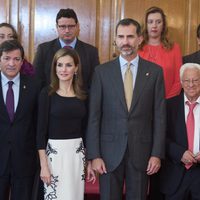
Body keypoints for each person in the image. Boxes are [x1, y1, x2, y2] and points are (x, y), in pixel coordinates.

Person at [86, 18, 166, 200]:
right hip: (107, 154)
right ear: (115, 39)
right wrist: (94, 155)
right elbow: (94, 116)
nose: (125, 42)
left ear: (139, 39)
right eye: (121, 37)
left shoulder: (154, 72)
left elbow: (160, 117)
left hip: (142, 153)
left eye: (130, 36)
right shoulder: (101, 72)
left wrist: (156, 154)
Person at [36, 48, 95, 200]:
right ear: (54, 68)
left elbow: (86, 130)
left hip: (77, 155)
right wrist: (44, 165)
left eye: (68, 65)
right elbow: (40, 132)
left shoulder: (84, 95)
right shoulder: (46, 94)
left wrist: (88, 161)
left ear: (76, 68)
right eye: (59, 65)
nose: (63, 69)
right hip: (54, 156)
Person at [0, 40, 40, 199]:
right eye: (7, 58)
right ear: (0, 59)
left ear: (22, 62)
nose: (11, 63)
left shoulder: (35, 86)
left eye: (16, 59)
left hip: (24, 161)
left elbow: (38, 124)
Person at [160, 63, 200, 200]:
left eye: (195, 80)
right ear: (181, 83)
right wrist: (179, 153)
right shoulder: (168, 105)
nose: (191, 84)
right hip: (175, 173)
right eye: (187, 80)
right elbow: (160, 136)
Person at [33, 8, 99, 89]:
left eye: (71, 26)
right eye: (63, 27)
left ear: (77, 26)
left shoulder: (91, 52)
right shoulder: (43, 50)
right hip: (51, 99)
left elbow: (95, 83)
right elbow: (36, 80)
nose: (67, 30)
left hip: (82, 100)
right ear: (57, 27)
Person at [139, 6, 182, 99]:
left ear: (163, 25)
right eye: (150, 22)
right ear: (145, 25)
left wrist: (165, 100)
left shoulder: (175, 48)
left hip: (168, 102)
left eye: (158, 22)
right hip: (141, 104)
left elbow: (179, 80)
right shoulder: (137, 48)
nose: (154, 25)